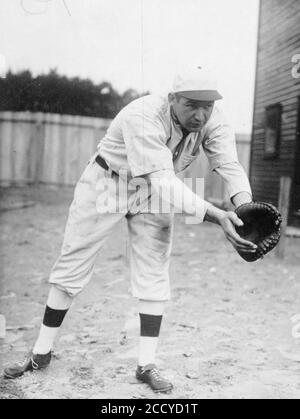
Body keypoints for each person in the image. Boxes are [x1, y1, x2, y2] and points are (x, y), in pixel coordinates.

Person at [3, 67, 256, 393]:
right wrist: (218, 215)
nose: (200, 113)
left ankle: (146, 364)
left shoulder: (213, 119)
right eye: (192, 104)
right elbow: (163, 180)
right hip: (109, 182)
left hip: (153, 193)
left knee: (154, 271)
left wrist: (246, 209)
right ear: (172, 99)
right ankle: (41, 352)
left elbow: (229, 165)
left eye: (207, 105)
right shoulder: (143, 115)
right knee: (73, 264)